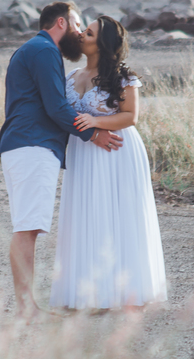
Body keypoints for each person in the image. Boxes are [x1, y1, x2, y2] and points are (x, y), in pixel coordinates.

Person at [0, 1, 124, 318]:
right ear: (61, 23)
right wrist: (93, 134)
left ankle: (26, 306)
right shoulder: (44, 51)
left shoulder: (33, 50)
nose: (81, 32)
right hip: (32, 145)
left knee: (27, 226)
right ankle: (26, 309)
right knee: (27, 227)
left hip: (24, 145)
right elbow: (56, 107)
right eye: (78, 25)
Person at [52, 16, 167, 310]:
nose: (81, 36)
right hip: (83, 154)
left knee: (119, 216)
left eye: (88, 34)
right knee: (86, 215)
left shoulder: (122, 76)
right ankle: (88, 292)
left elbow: (130, 116)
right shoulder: (71, 75)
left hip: (117, 153)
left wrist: (97, 121)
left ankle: (123, 291)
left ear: (101, 45)